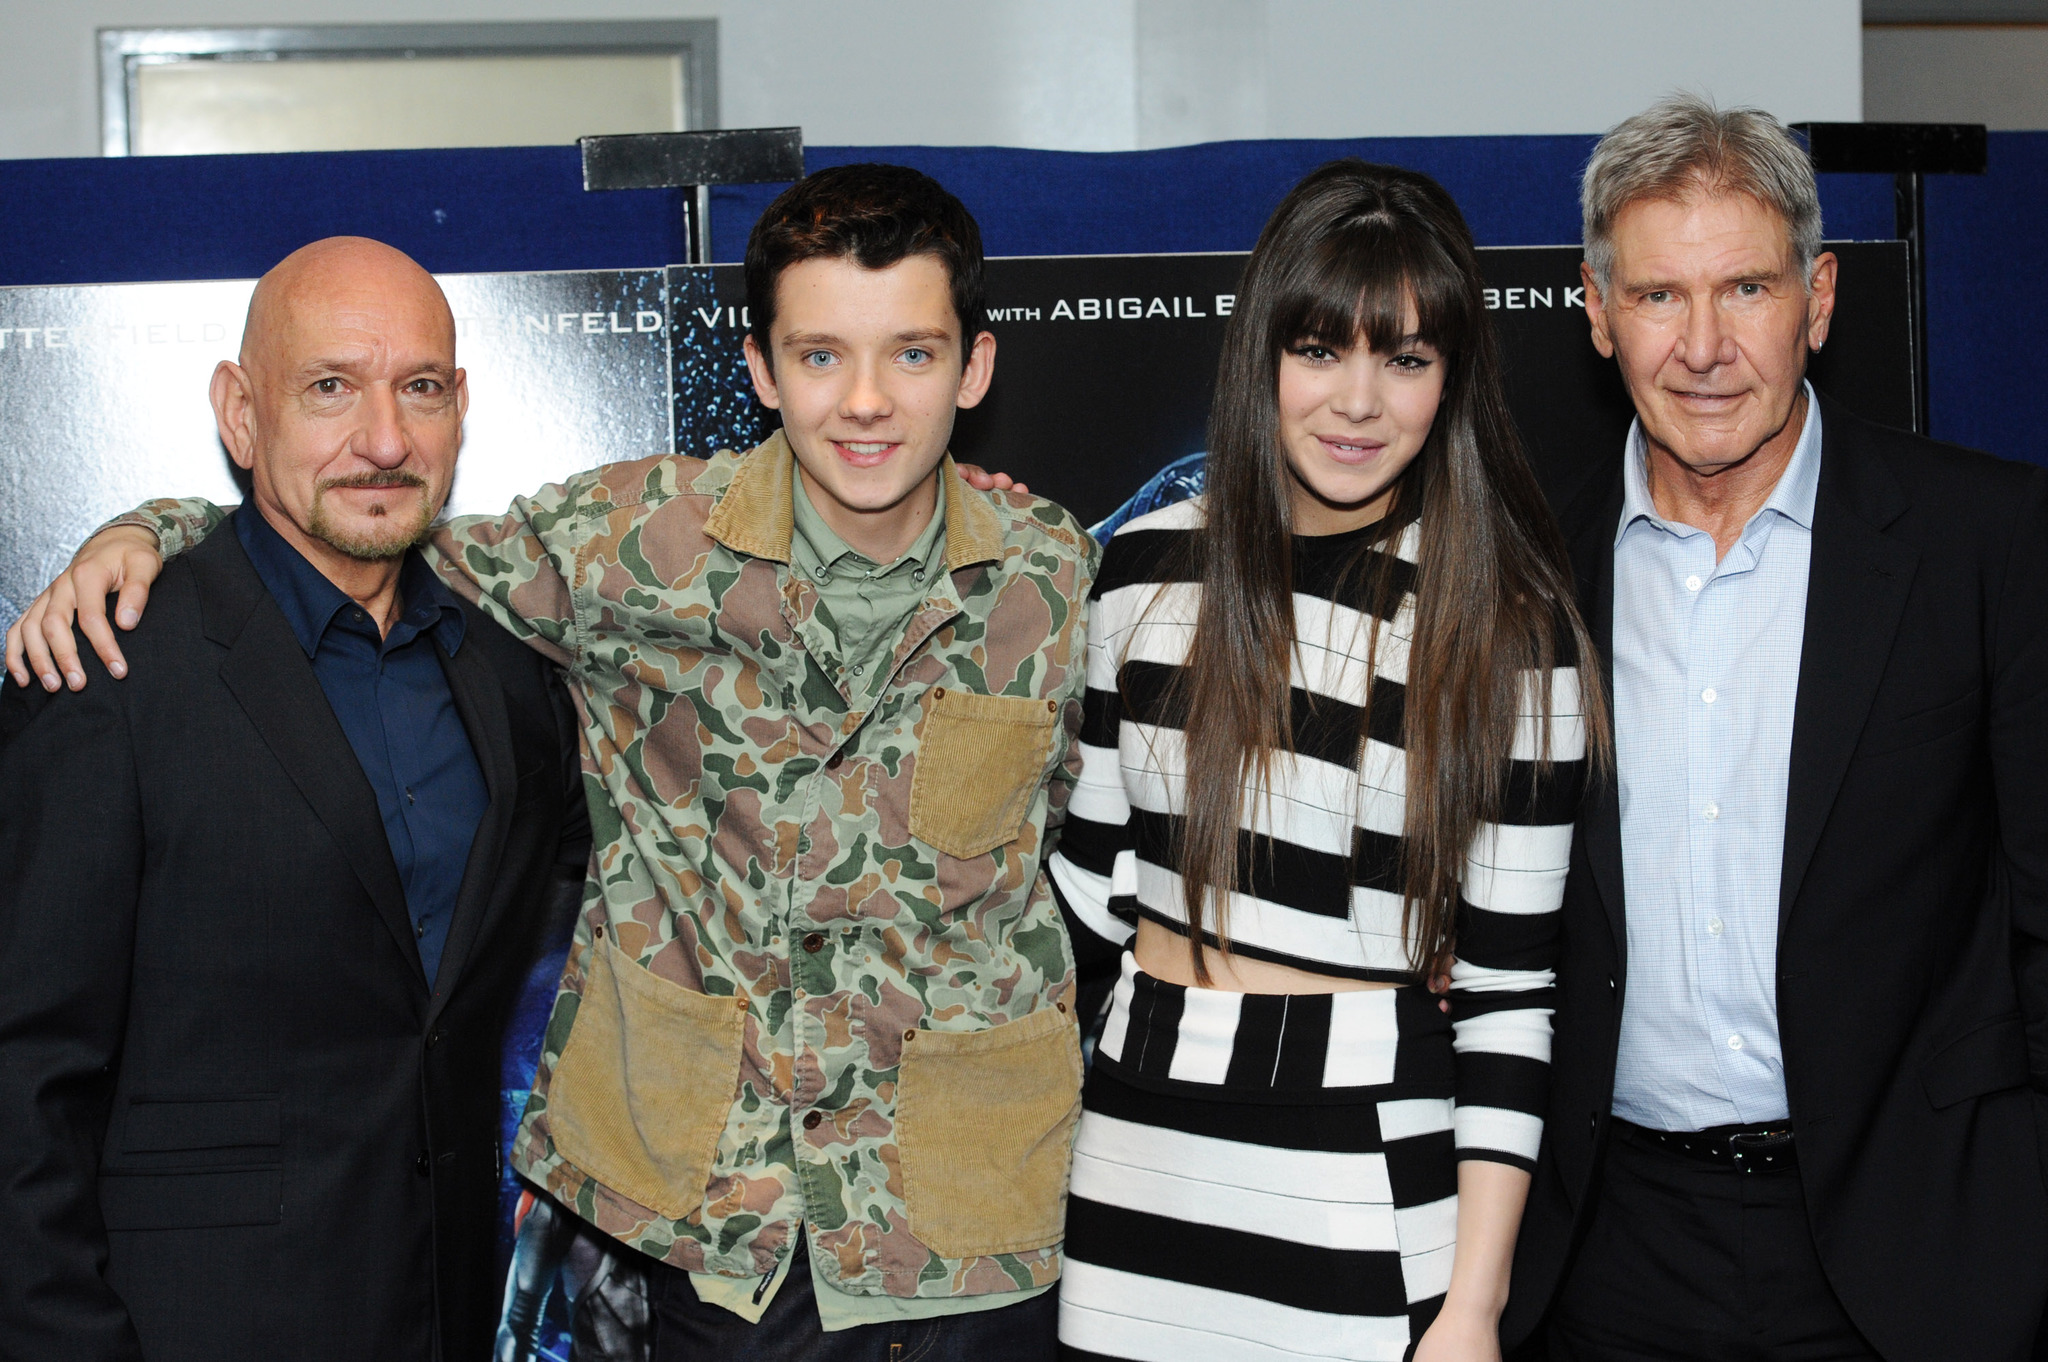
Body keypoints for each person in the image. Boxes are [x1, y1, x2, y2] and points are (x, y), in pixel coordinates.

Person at [7, 164, 1097, 1361]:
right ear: (761, 370)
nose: (868, 402)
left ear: (975, 369)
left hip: (978, 1226)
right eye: (823, 355)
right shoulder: (637, 547)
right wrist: (145, 532)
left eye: (913, 355)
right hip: (733, 1238)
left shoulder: (1054, 574)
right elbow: (368, 521)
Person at [1499, 95, 2048, 1362]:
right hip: (1606, 1258)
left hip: (1920, 1253)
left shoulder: (1985, 541)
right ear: (1594, 312)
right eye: (1655, 297)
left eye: (1743, 288)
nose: (1702, 347)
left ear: (1817, 298)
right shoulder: (1526, 570)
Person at [1048, 159, 1598, 1362]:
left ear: (1450, 379)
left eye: (1404, 359)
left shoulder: (1508, 628)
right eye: (1318, 350)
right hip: (1135, 1146)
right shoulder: (1137, 569)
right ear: (1263, 356)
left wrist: (1473, 1308)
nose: (1358, 401)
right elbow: (1086, 890)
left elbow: (1508, 1000)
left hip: (1361, 1174)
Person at [0, 237, 587, 1361]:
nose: (383, 439)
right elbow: (22, 1081)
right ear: (239, 412)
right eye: (330, 388)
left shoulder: (510, 677)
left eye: (419, 388)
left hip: (447, 1317)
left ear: (459, 409)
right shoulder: (105, 674)